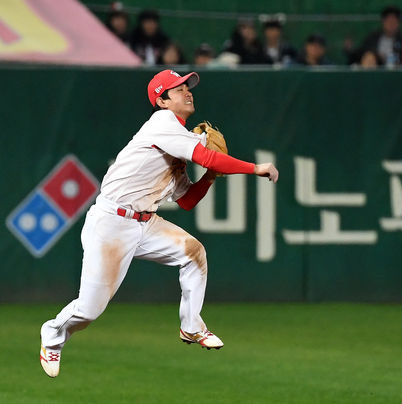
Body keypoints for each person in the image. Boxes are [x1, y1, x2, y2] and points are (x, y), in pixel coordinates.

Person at [39, 69, 279, 378]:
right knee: (89, 309)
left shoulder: (179, 140)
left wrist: (210, 178)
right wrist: (254, 168)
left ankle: (191, 326)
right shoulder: (162, 123)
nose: (187, 91)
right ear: (162, 101)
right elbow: (207, 157)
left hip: (146, 222)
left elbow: (186, 200)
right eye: (178, 89)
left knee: (193, 252)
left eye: (187, 87)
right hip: (112, 222)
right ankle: (52, 335)